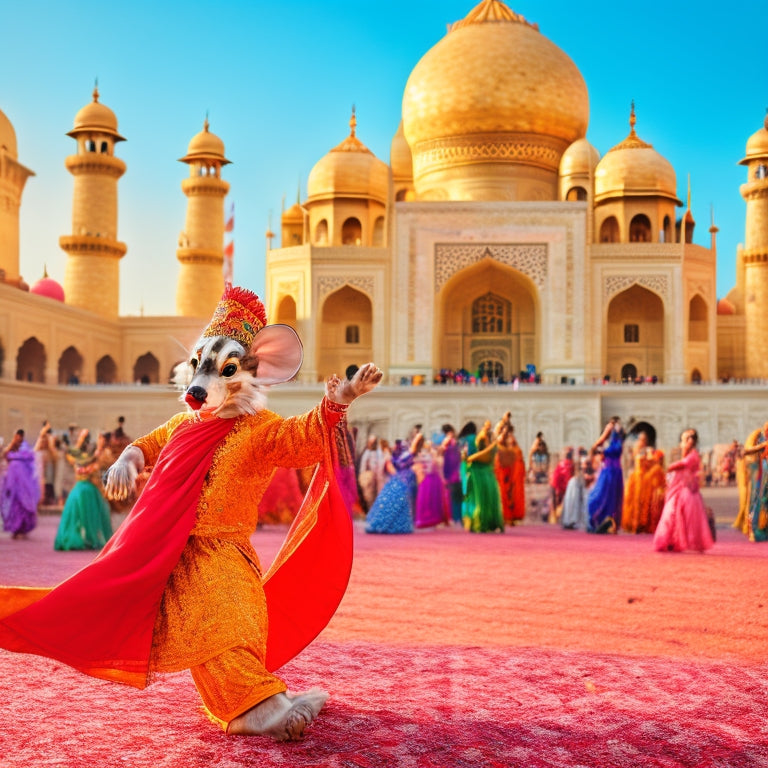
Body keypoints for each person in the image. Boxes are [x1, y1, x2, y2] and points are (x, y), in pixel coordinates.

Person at [0, 284, 382, 742]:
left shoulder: (259, 429)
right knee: (218, 621)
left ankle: (255, 706)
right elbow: (147, 445)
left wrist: (339, 402)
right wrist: (126, 459)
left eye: (222, 370)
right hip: (181, 551)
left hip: (229, 549)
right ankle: (261, 708)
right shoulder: (185, 424)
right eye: (201, 365)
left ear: (255, 371)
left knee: (240, 621)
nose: (204, 381)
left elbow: (302, 439)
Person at [653, 429, 715, 553]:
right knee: (671, 514)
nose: (683, 444)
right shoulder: (688, 454)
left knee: (678, 515)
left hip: (687, 490)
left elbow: (682, 464)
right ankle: (671, 540)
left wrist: (668, 466)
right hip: (680, 488)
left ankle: (676, 541)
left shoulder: (693, 456)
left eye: (685, 440)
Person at [53, 429, 113, 551]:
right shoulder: (78, 455)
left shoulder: (94, 455)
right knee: (76, 517)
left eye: (83, 438)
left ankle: (90, 539)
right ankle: (82, 539)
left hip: (89, 489)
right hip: (80, 489)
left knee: (89, 518)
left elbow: (93, 463)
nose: (81, 440)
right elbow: (74, 457)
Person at [365, 433, 421, 534]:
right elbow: (392, 469)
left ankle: (389, 525)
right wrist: (417, 438)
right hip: (400, 482)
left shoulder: (397, 457)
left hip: (396, 482)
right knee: (397, 504)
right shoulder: (403, 457)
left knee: (394, 504)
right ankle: (392, 525)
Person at [464, 420, 504, 533]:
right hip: (479, 473)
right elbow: (478, 455)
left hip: (486, 472)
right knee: (481, 500)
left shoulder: (490, 440)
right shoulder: (481, 438)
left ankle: (488, 522)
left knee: (487, 499)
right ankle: (480, 522)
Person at [587, 417, 625, 534]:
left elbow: (596, 444)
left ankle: (603, 522)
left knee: (602, 497)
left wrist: (593, 452)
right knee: (607, 498)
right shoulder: (617, 434)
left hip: (610, 472)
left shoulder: (613, 431)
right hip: (614, 471)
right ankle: (605, 522)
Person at [622, 432, 666, 533]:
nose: (641, 441)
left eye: (643, 440)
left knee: (643, 502)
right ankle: (635, 525)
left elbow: (653, 462)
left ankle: (642, 524)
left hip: (644, 480)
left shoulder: (647, 450)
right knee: (634, 501)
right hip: (636, 478)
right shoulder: (635, 449)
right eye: (640, 439)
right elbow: (630, 463)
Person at [1, 429, 40, 538]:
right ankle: (14, 528)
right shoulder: (11, 447)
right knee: (13, 502)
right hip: (12, 479)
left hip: (23, 479)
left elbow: (31, 459)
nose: (17, 438)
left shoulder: (25, 447)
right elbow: (4, 455)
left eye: (19, 436)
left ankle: (23, 528)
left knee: (23, 503)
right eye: (16, 436)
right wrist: (12, 444)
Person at [413, 440, 449, 529]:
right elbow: (417, 463)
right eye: (427, 444)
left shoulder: (434, 455)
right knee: (426, 498)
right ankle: (426, 519)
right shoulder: (423, 455)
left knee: (434, 499)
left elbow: (437, 467)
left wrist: (442, 478)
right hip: (427, 479)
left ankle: (435, 519)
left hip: (434, 479)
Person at [742, 421, 768, 542]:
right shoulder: (765, 443)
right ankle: (755, 530)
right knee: (759, 501)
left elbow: (751, 450)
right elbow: (753, 449)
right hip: (764, 477)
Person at [494, 425, 526, 525]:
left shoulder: (513, 445)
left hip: (511, 473)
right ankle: (502, 516)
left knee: (511, 495)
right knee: (502, 494)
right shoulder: (498, 443)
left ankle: (511, 516)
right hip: (501, 473)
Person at [439, 424, 463, 526]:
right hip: (451, 470)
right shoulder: (450, 441)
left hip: (453, 470)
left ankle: (456, 517)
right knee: (453, 494)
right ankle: (454, 517)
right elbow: (441, 451)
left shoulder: (454, 442)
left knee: (455, 494)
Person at [358, 435, 384, 511]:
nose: (373, 444)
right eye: (371, 442)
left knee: (378, 496)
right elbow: (363, 467)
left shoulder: (379, 452)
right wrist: (364, 478)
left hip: (379, 478)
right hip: (370, 479)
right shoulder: (367, 453)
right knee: (369, 497)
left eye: (374, 442)